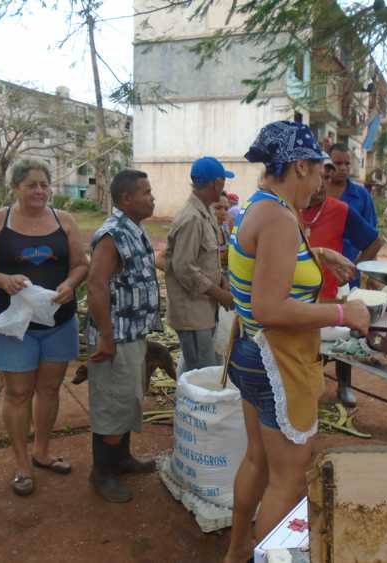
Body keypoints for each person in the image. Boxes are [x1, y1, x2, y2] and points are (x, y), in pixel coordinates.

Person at [223, 121, 371, 563]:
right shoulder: (278, 218)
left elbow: (258, 268)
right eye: (320, 173)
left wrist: (318, 255)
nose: (323, 183)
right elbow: (271, 307)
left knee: (257, 461)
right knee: (287, 479)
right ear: (300, 166)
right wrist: (344, 313)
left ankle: (237, 552)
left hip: (249, 353)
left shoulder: (261, 207)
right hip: (276, 359)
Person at [0, 159, 88, 496]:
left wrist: (70, 285)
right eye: (31, 185)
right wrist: (3, 280)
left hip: (58, 321)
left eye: (44, 185)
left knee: (50, 390)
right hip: (14, 325)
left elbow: (81, 264)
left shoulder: (63, 221)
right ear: (16, 188)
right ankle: (22, 465)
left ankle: (42, 451)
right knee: (19, 392)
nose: (39, 191)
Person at [86, 169, 162, 503]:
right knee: (111, 404)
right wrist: (105, 336)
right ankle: (102, 473)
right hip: (114, 337)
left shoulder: (134, 230)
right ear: (127, 199)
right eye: (146, 192)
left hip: (132, 333)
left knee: (127, 399)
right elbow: (95, 284)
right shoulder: (112, 234)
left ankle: (122, 459)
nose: (152, 197)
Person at [301, 162, 384, 406]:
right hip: (298, 297)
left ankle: (344, 386)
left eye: (326, 178)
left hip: (331, 293)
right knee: (309, 352)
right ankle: (308, 395)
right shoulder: (289, 209)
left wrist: (354, 269)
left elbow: (374, 240)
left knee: (340, 344)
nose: (321, 184)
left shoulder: (340, 209)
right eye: (319, 176)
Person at [163, 156, 234, 372]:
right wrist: (219, 293)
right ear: (216, 183)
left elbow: (206, 260)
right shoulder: (192, 218)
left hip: (203, 309)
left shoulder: (206, 213)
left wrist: (222, 281)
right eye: (223, 181)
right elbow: (184, 267)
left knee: (198, 367)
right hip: (192, 312)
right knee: (201, 372)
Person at [212, 193, 232, 273]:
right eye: (218, 208)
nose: (223, 212)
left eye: (226, 209)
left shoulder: (225, 229)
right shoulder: (202, 231)